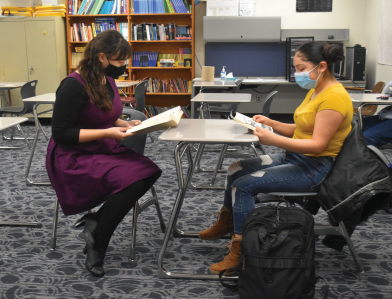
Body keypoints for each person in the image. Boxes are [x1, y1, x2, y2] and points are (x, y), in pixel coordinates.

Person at [198, 41, 353, 275]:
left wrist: (272, 140)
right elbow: (301, 130)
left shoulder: (334, 98)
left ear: (321, 67)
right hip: (297, 158)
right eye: (296, 68)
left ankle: (241, 252)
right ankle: (227, 222)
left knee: (243, 186)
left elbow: (318, 144)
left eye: (301, 68)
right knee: (235, 168)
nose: (297, 73)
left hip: (314, 168)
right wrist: (272, 124)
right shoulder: (317, 90)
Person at [46, 30, 161, 277]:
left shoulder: (105, 79)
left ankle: (96, 222)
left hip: (100, 148)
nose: (123, 66)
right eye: (119, 62)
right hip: (73, 155)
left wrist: (123, 124)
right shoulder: (72, 86)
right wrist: (109, 132)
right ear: (101, 57)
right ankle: (99, 242)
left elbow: (103, 114)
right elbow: (61, 134)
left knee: (149, 171)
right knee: (131, 180)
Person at [362, 80, 392, 147]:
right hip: (387, 116)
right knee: (354, 126)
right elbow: (387, 92)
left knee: (367, 137)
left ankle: (368, 157)